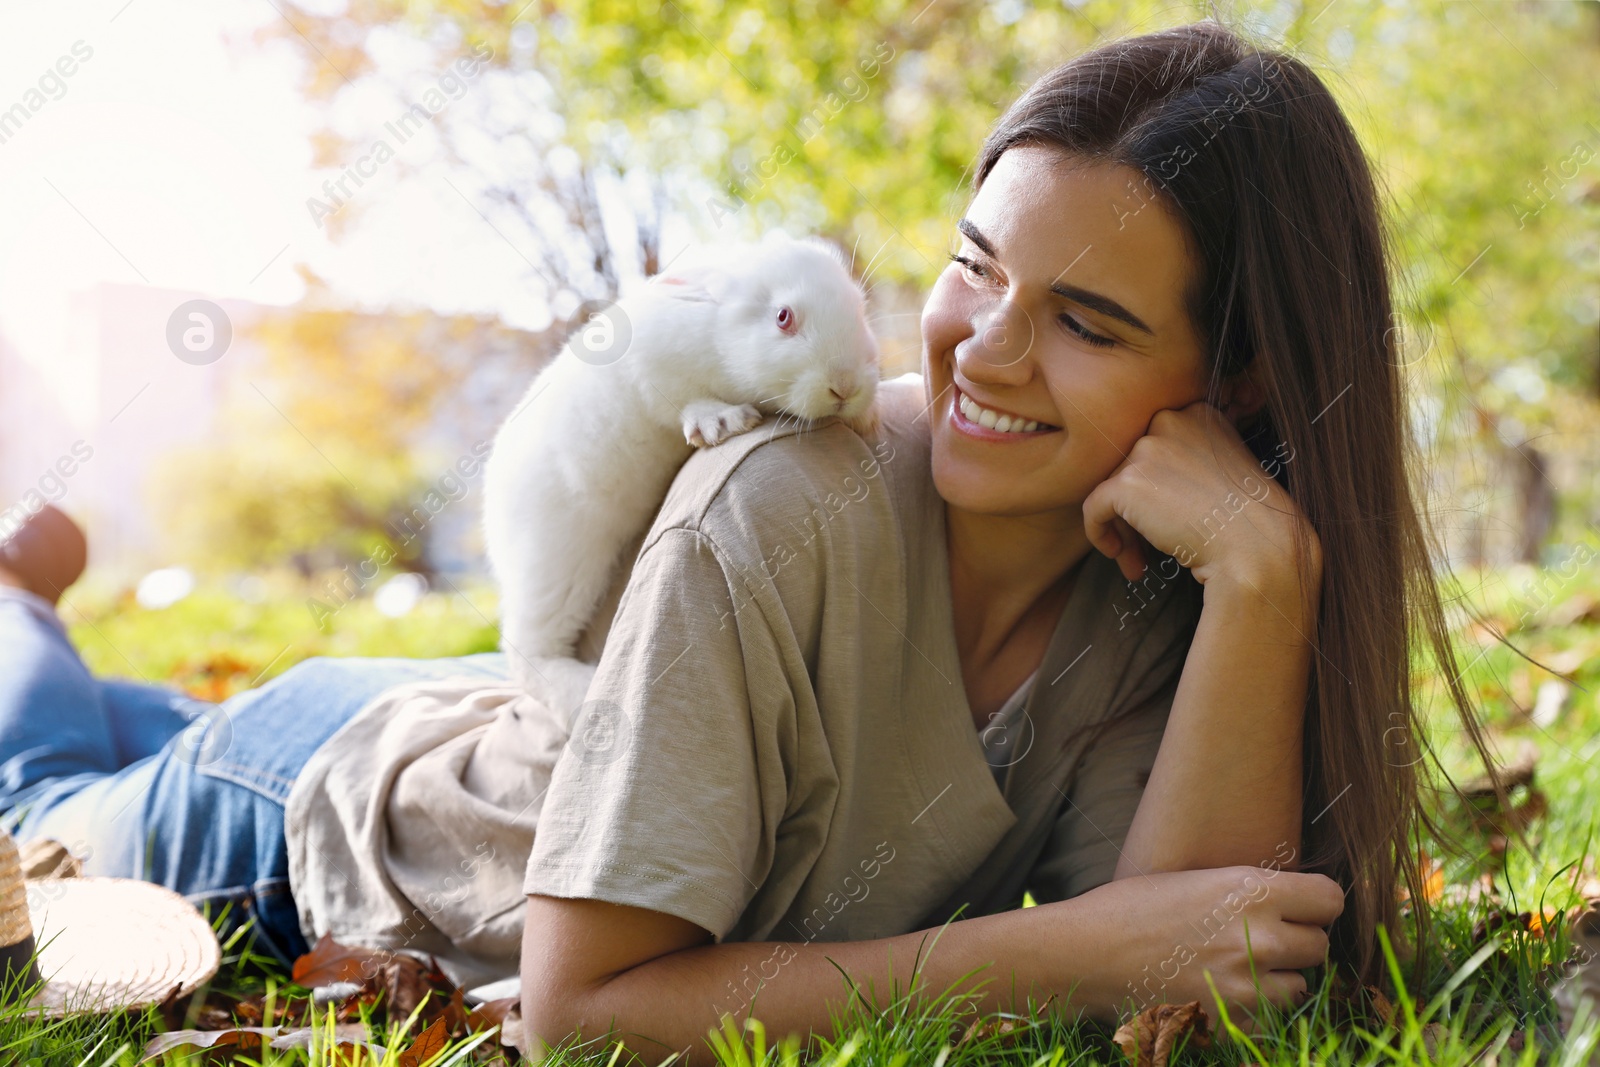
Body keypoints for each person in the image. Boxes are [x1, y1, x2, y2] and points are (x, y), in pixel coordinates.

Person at [0, 19, 1485, 1060]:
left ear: (1242, 379)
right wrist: (1053, 953)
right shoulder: (780, 503)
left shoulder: (1168, 574)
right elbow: (581, 1019)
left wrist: (1264, 579)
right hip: (306, 822)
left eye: (1087, 323)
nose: (984, 354)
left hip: (523, 726)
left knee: (125, 733)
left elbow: (1181, 998)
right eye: (976, 267)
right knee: (42, 791)